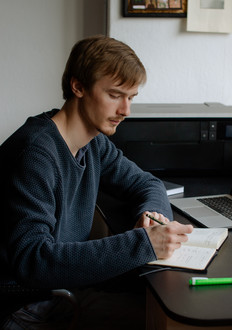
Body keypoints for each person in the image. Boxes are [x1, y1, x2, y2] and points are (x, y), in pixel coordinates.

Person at [0, 35, 193, 329]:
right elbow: (33, 260)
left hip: (63, 287)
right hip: (26, 303)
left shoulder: (94, 144)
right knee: (163, 320)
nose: (126, 110)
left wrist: (152, 216)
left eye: (131, 97)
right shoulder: (35, 154)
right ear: (78, 86)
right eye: (115, 95)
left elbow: (148, 184)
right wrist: (143, 243)